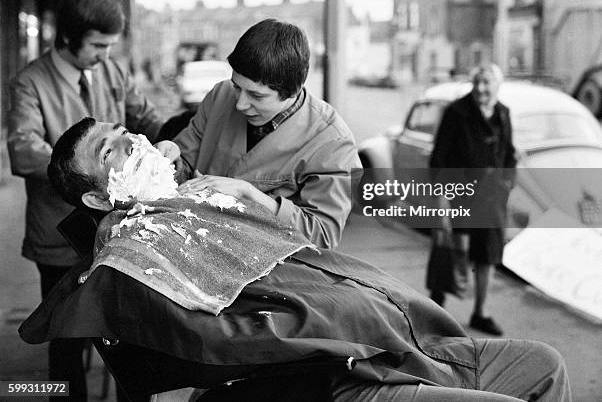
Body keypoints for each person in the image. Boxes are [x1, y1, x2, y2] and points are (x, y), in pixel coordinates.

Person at [20, 116, 571, 402]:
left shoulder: (199, 199)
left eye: (126, 132)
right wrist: (345, 341)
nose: (137, 142)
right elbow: (215, 349)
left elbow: (313, 245)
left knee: (545, 363)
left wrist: (250, 199)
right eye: (112, 150)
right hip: (333, 378)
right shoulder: (129, 259)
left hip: (398, 336)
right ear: (97, 197)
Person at [7, 0, 164, 400]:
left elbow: (146, 116)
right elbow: (23, 150)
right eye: (98, 45)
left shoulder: (113, 71)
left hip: (115, 232)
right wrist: (84, 173)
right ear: (68, 37)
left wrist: (167, 145)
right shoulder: (29, 82)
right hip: (56, 237)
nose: (105, 54)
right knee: (65, 342)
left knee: (121, 331)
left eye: (110, 46)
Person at [166, 19, 361, 249]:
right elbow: (184, 163)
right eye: (237, 86)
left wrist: (248, 194)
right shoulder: (220, 95)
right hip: (187, 239)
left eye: (256, 96)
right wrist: (167, 159)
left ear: (293, 90)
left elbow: (322, 235)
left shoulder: (332, 142)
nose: (240, 104)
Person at [429, 63, 517, 336]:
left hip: (492, 200)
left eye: (486, 83)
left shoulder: (503, 113)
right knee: (451, 252)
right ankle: (435, 309)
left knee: (487, 256)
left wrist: (507, 183)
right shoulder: (457, 112)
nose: (481, 88)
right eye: (477, 82)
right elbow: (438, 158)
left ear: (497, 86)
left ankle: (480, 313)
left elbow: (509, 153)